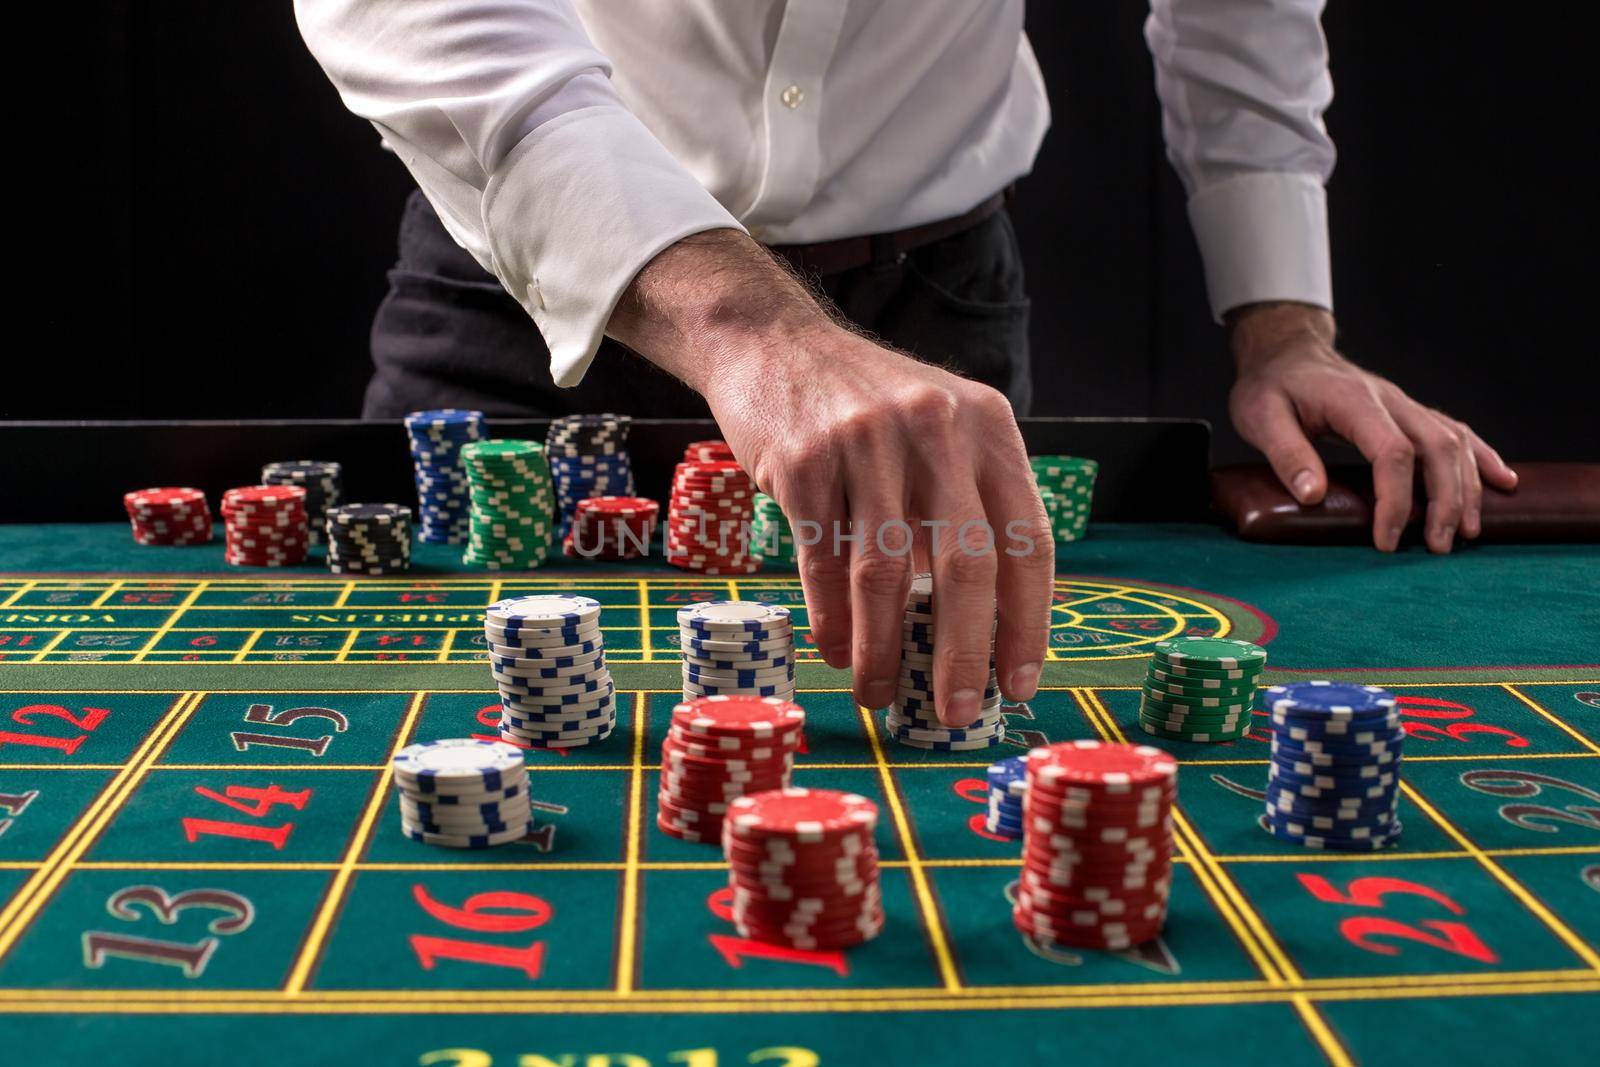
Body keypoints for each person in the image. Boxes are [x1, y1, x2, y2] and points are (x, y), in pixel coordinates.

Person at [295, 0, 1517, 727]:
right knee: (444, 734)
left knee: (939, 732)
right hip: (532, 277)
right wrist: (750, 324)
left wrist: (1284, 324)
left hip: (932, 313)